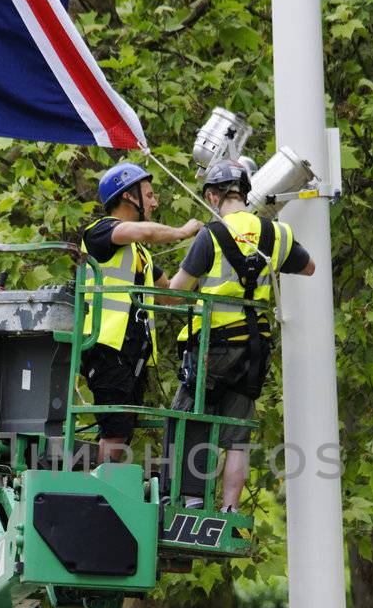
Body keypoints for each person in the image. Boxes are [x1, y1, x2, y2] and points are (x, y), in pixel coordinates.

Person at [166, 159, 315, 510]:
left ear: (212, 196)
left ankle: (189, 501)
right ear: (246, 193)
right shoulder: (276, 233)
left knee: (187, 416)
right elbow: (308, 267)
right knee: (237, 436)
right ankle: (230, 506)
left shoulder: (211, 235)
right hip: (253, 350)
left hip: (212, 347)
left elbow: (175, 292)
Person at [80, 162, 202, 464]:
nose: (154, 202)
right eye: (148, 195)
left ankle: (102, 486)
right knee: (116, 429)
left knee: (123, 430)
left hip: (132, 355)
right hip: (106, 348)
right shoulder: (100, 231)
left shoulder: (141, 255)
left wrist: (204, 251)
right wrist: (184, 231)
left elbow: (170, 293)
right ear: (128, 197)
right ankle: (97, 491)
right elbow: (146, 231)